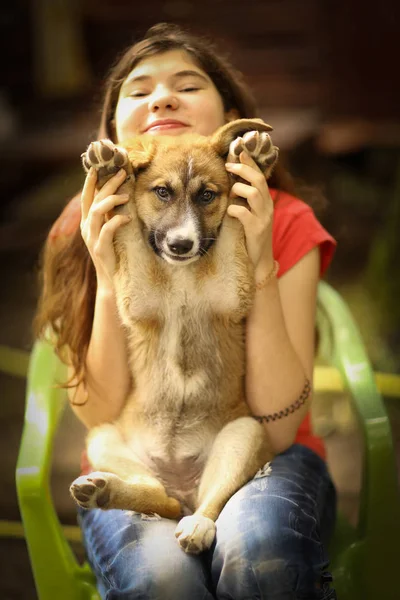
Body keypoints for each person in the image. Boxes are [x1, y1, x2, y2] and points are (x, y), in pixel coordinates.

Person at [35, 22, 337, 600]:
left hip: (252, 448)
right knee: (163, 579)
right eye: (139, 88)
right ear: (115, 131)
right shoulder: (81, 225)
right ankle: (149, 498)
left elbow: (274, 425)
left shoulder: (287, 218)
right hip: (136, 452)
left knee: (261, 553)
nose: (163, 97)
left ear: (230, 118)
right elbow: (97, 413)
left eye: (187, 85)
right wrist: (104, 269)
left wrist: (260, 260)